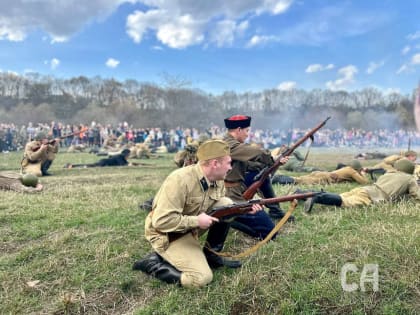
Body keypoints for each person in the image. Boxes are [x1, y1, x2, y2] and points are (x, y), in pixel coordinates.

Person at [132, 140, 262, 287]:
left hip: (189, 228)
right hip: (167, 235)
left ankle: (211, 255)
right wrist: (196, 222)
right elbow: (161, 222)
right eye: (228, 163)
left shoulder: (217, 179)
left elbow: (222, 209)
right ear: (214, 164)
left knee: (226, 204)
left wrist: (244, 209)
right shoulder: (180, 180)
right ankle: (151, 263)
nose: (230, 167)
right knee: (201, 278)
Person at [222, 114, 293, 240]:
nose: (247, 134)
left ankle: (275, 210)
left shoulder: (232, 144)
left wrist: (276, 161)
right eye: (247, 131)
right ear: (238, 130)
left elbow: (251, 165)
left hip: (236, 186)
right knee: (270, 233)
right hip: (229, 194)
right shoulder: (229, 145)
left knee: (262, 176)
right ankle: (228, 218)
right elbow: (256, 152)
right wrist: (270, 158)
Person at [302, 159, 420, 213]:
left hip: (366, 189)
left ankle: (304, 193)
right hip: (372, 197)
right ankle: (317, 197)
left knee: (339, 195)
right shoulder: (410, 179)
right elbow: (417, 196)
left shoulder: (390, 173)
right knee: (344, 202)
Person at [274, 160, 369, 186]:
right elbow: (364, 182)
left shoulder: (347, 168)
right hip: (326, 178)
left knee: (302, 177)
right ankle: (279, 179)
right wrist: (363, 174)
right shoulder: (352, 171)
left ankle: (278, 177)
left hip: (321, 173)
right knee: (299, 180)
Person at [64, 149, 136, 168]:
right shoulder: (119, 157)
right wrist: (129, 164)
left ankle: (72, 165)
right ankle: (72, 166)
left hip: (104, 161)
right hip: (104, 162)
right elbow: (122, 165)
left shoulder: (120, 157)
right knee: (89, 166)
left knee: (89, 165)